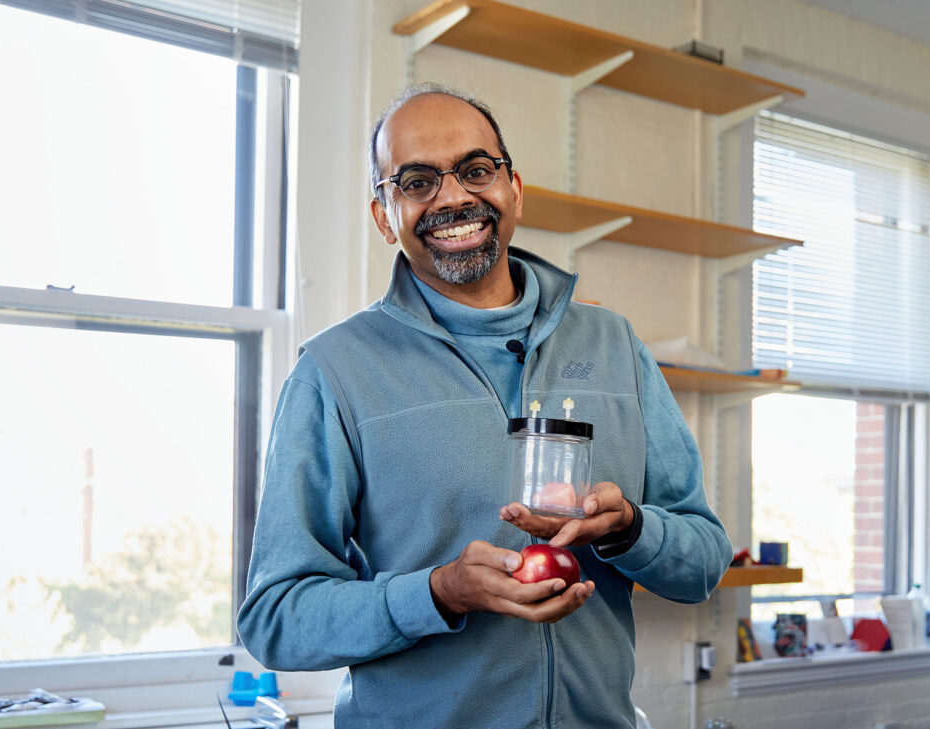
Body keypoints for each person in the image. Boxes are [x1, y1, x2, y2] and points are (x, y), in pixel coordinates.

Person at [236, 84, 731, 729]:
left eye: (475, 170)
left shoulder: (614, 344)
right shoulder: (334, 371)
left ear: (514, 192)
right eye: (416, 181)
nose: (453, 196)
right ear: (385, 216)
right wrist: (437, 593)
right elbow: (277, 620)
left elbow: (702, 564)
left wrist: (630, 527)